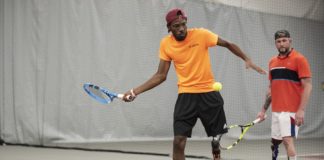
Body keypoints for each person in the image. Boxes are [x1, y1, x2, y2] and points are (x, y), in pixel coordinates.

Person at [123, 8, 266, 160]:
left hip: (209, 95)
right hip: (186, 96)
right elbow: (160, 75)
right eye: (176, 26)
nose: (181, 28)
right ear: (169, 28)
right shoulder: (166, 44)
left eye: (183, 24)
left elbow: (228, 44)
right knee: (178, 141)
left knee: (216, 138)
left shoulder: (201, 35)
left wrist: (247, 59)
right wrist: (134, 91)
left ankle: (216, 147)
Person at [257, 30, 312, 160]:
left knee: (287, 141)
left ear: (290, 41)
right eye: (278, 41)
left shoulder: (300, 59)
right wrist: (263, 110)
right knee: (275, 142)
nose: (281, 44)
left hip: (291, 112)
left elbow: (308, 86)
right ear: (275, 43)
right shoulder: (272, 62)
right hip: (276, 111)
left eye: (284, 41)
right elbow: (271, 88)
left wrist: (301, 110)